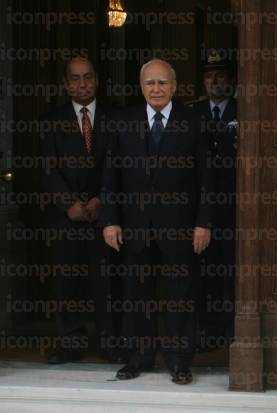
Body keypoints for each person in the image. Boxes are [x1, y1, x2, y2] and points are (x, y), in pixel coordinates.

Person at [100, 58, 212, 384]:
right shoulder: (123, 122)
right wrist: (110, 221)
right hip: (134, 227)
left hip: (181, 228)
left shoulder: (193, 122)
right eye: (150, 83)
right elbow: (111, 178)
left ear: (174, 86)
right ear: (141, 87)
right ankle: (138, 358)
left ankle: (179, 362)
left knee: (180, 297)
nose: (157, 89)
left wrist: (203, 223)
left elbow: (206, 179)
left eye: (163, 83)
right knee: (137, 297)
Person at [40, 57, 123, 364]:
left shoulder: (115, 119)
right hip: (67, 218)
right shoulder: (51, 120)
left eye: (87, 77)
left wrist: (102, 199)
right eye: (75, 79)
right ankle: (70, 343)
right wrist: (68, 205)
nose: (82, 83)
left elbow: (118, 165)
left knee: (106, 282)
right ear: (66, 84)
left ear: (97, 80)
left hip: (105, 216)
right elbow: (49, 170)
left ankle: (109, 343)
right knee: (67, 282)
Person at [193, 49, 237, 351]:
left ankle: (234, 332)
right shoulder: (192, 113)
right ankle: (208, 333)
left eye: (220, 76)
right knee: (205, 274)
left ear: (230, 80)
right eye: (209, 77)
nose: (215, 82)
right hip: (202, 208)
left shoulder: (244, 109)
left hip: (236, 206)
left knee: (233, 271)